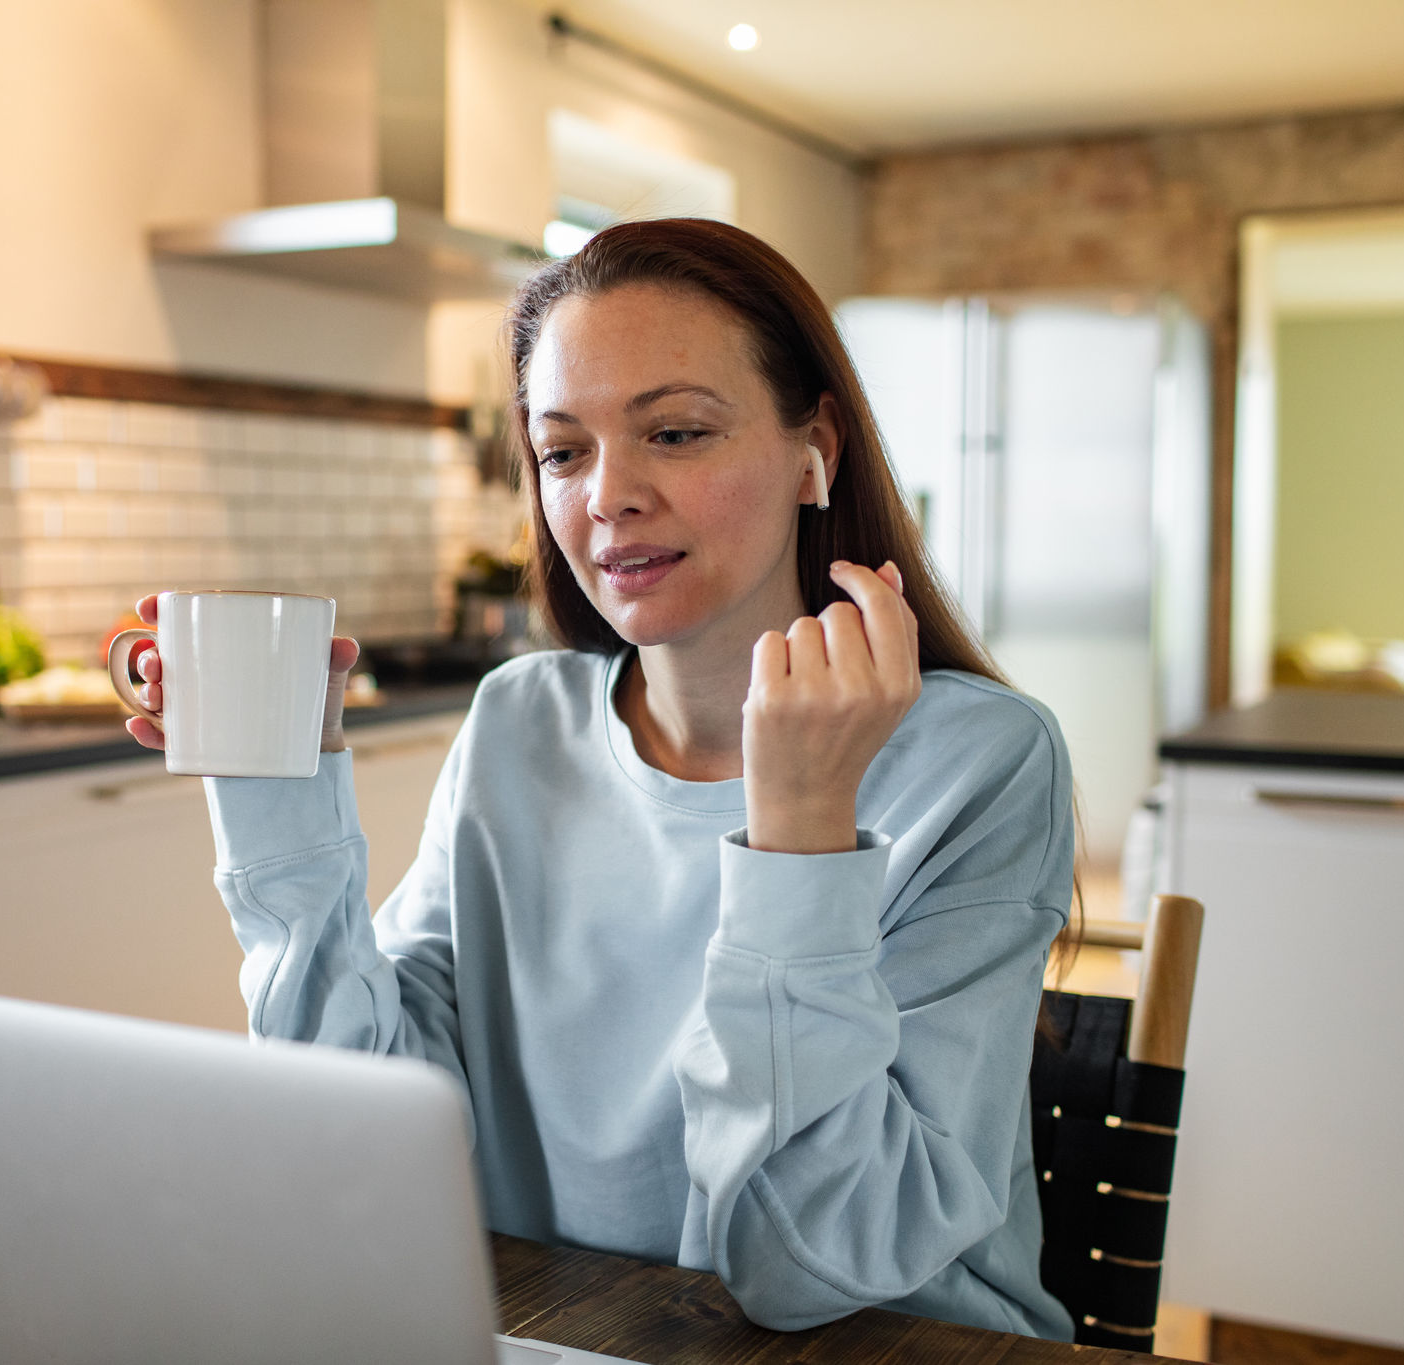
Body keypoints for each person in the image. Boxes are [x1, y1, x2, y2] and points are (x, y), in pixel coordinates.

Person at [125, 219, 1076, 1340]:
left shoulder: (978, 760)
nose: (606, 496)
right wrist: (276, 777)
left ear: (812, 446)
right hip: (567, 1334)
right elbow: (362, 1120)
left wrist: (802, 831)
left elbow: (813, 1265)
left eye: (672, 431)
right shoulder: (519, 720)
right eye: (562, 450)